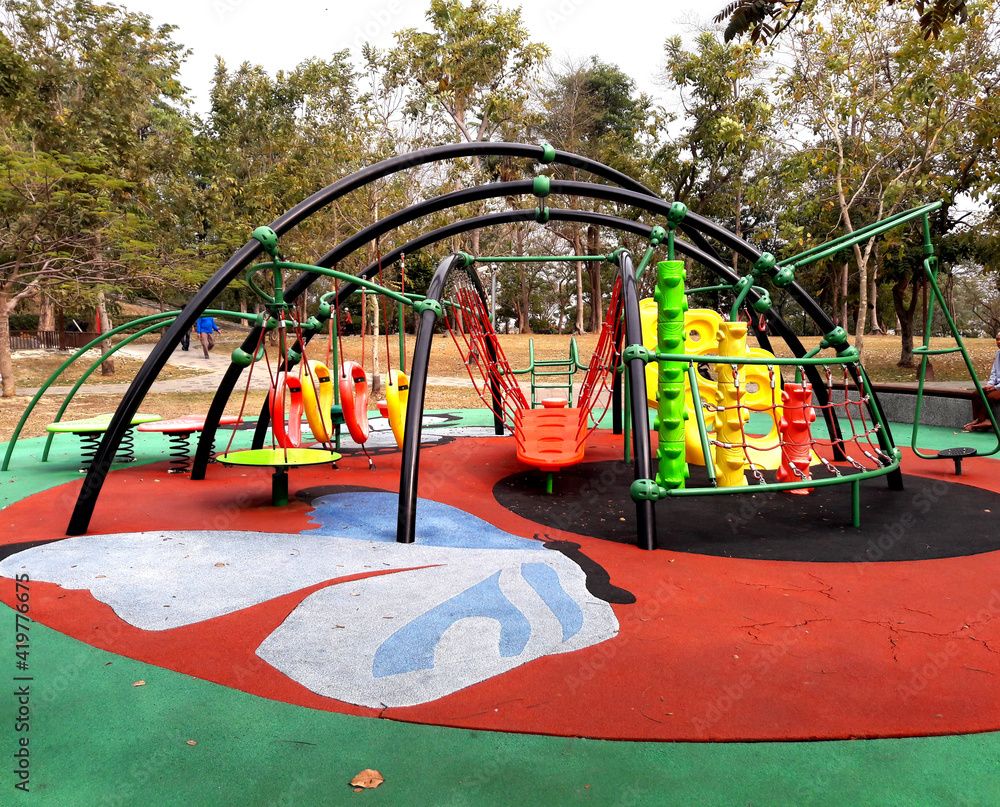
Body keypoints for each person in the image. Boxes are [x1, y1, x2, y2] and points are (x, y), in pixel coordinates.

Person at [965, 330, 1000, 432]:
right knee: (977, 394)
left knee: (991, 396)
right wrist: (990, 385)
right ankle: (979, 419)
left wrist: (996, 387)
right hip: (996, 385)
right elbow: (994, 372)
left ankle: (987, 420)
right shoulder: (998, 353)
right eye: (997, 339)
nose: (998, 342)